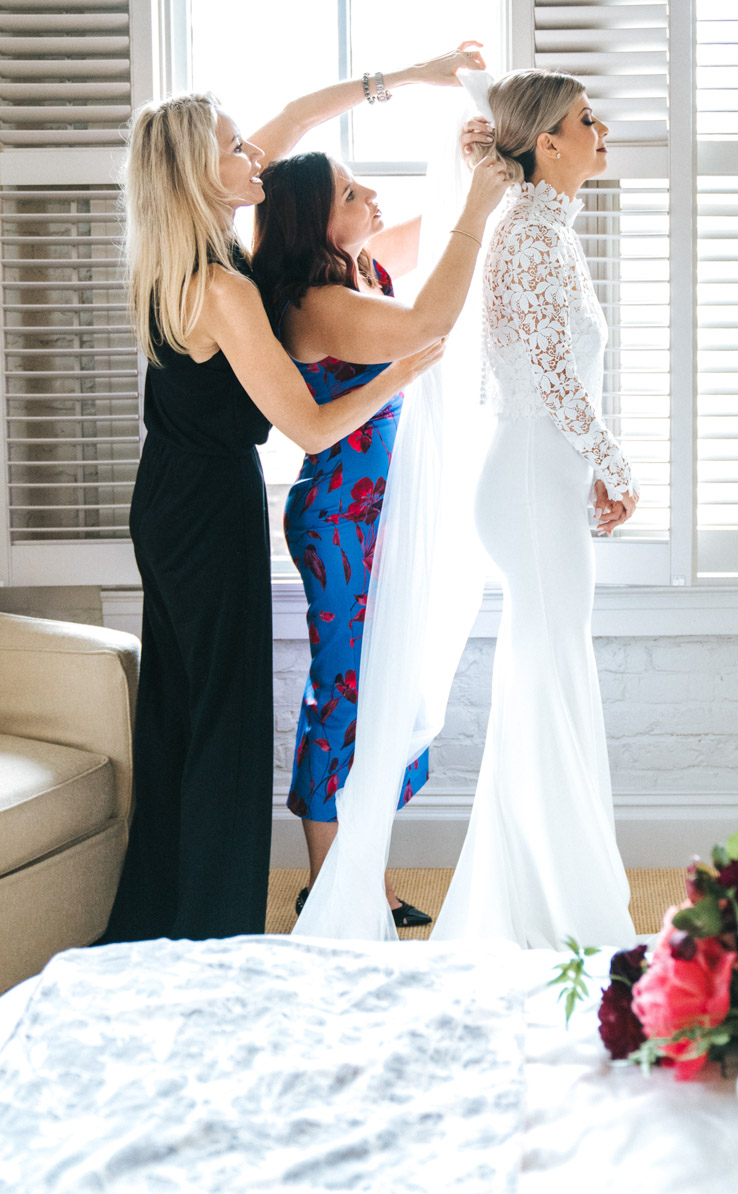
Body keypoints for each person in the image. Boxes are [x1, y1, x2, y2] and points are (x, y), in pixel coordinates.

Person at [101, 46, 483, 944]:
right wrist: (406, 369)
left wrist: (414, 76)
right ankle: (208, 924)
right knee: (224, 717)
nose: (255, 161)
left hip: (171, 495)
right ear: (202, 172)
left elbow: (301, 116)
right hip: (203, 507)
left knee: (184, 707)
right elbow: (309, 432)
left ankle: (176, 907)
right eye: (237, 150)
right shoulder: (224, 287)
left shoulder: (173, 257)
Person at [250, 125, 507, 925]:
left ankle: (364, 872)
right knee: (345, 694)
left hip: (382, 516)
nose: (370, 199)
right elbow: (432, 315)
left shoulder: (355, 268)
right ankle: (333, 886)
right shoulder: (322, 305)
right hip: (343, 522)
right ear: (315, 223)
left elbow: (439, 239)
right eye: (351, 195)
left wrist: (463, 164)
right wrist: (478, 195)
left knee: (382, 683)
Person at [432, 69, 639, 948]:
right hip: (527, 484)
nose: (603, 130)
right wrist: (614, 463)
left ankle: (539, 897)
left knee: (546, 682)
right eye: (585, 119)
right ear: (547, 143)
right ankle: (561, 913)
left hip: (541, 480)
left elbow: (553, 369)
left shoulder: (544, 227)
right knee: (550, 680)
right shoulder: (529, 234)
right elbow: (553, 376)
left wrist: (587, 464)